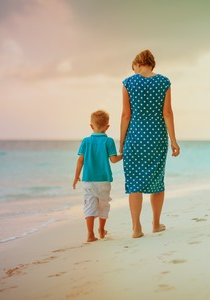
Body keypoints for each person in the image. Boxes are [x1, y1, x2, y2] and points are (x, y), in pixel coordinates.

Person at [120, 49, 180, 238]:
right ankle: (155, 224)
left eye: (134, 67)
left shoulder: (128, 82)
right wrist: (174, 141)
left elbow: (126, 115)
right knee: (157, 181)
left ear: (137, 64)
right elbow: (167, 113)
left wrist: (121, 144)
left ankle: (136, 228)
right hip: (156, 138)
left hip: (135, 139)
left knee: (134, 183)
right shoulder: (164, 82)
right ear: (151, 64)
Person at [73, 110, 123, 242]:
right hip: (104, 181)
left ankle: (90, 234)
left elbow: (80, 160)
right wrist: (124, 155)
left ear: (91, 126)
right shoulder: (109, 141)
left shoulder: (86, 141)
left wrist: (76, 176)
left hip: (88, 180)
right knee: (103, 206)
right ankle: (101, 230)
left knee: (89, 206)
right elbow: (113, 160)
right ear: (107, 127)